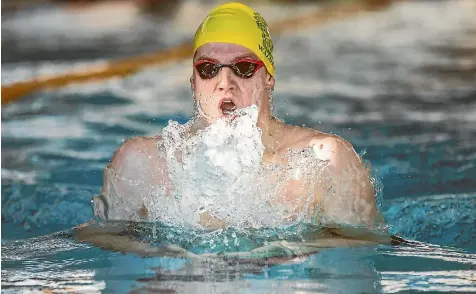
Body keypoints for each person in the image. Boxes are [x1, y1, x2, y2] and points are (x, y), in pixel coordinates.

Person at [92, 2, 384, 230]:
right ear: (193, 82)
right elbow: (109, 252)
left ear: (268, 77)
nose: (224, 82)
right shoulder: (141, 164)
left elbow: (361, 251)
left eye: (243, 67)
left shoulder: (322, 162)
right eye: (208, 68)